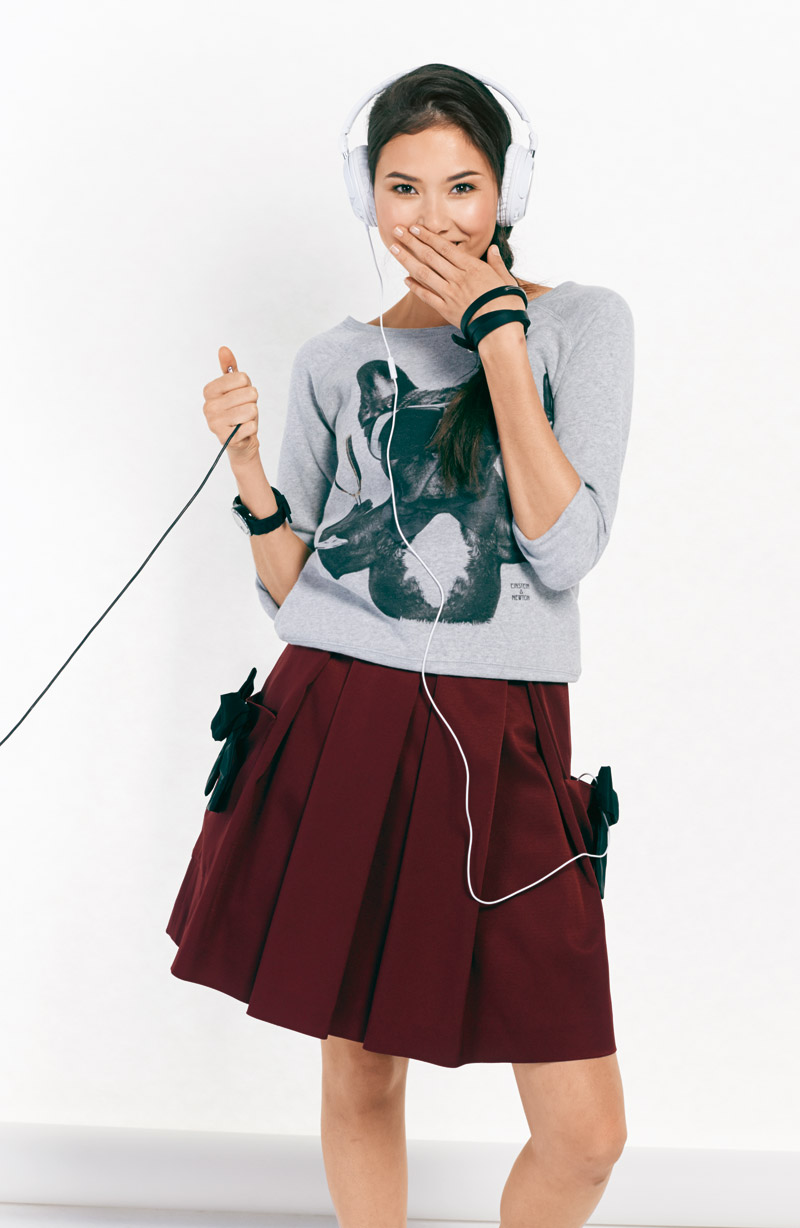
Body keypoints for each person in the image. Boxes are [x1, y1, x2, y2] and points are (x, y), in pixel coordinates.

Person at [167, 63, 634, 1228]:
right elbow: (298, 595)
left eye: (461, 186)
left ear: (505, 189)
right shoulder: (335, 359)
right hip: (341, 715)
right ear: (366, 196)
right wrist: (247, 470)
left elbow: (565, 550)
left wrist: (497, 339)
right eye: (402, 187)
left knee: (584, 1135)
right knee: (362, 1070)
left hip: (505, 732)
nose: (432, 218)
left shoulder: (581, 325)